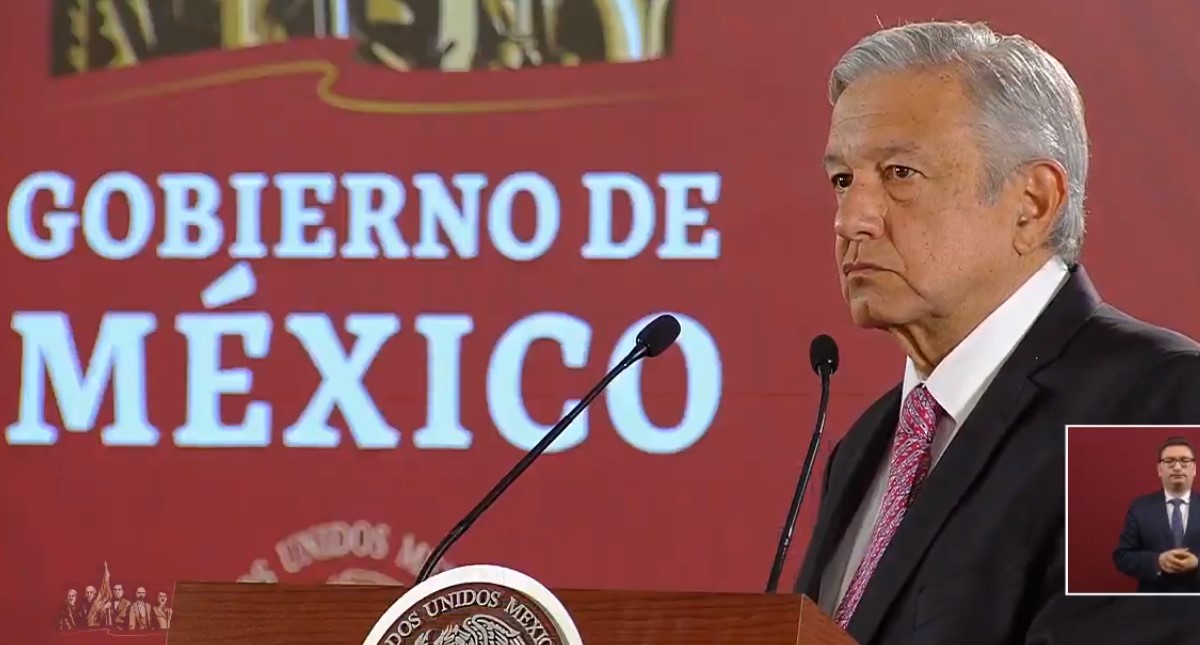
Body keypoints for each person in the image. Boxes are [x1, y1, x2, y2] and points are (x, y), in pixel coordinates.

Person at [792, 19, 1200, 645]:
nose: (851, 220)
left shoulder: (1150, 408)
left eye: (899, 173)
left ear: (1033, 202)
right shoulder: (870, 443)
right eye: (843, 180)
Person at [1113, 437, 1200, 592]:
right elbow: (1122, 556)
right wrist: (1157, 561)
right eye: (1170, 461)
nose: (1177, 467)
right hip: (1153, 601)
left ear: (1194, 469)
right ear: (1160, 469)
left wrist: (1197, 563)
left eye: (1184, 461)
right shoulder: (1140, 507)